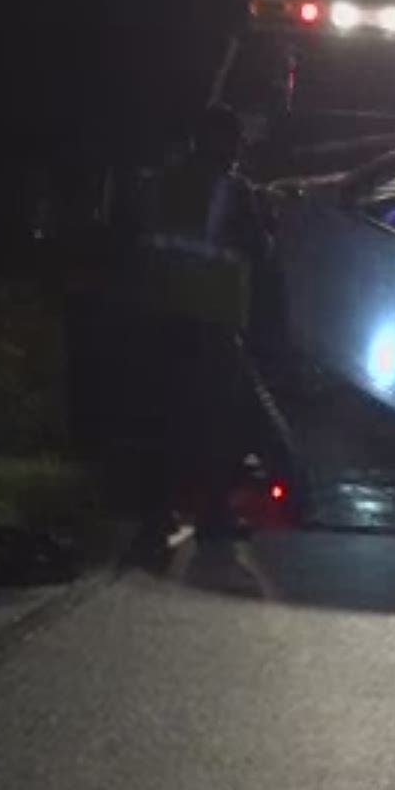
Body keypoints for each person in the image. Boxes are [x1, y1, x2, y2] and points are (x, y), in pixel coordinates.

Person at [142, 107, 272, 542]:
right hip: (214, 320)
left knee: (168, 418)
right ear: (228, 144)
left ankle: (157, 513)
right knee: (217, 424)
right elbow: (261, 250)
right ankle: (213, 516)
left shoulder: (168, 180)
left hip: (164, 314)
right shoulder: (234, 192)